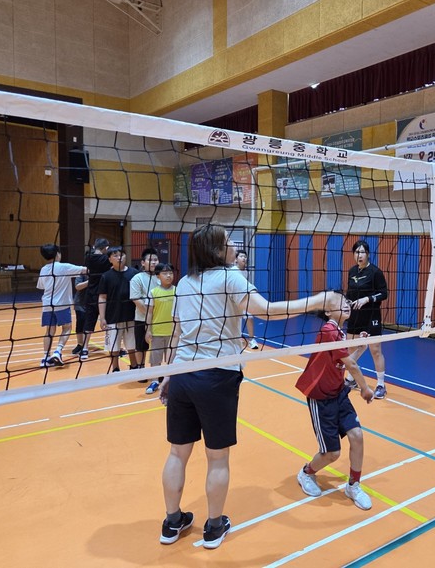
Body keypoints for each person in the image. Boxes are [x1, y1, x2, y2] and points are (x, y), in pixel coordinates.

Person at [158, 223, 341, 550]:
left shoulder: (184, 282)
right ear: (217, 250)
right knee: (217, 459)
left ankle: (172, 522)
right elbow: (266, 312)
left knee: (177, 453)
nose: (234, 245)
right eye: (229, 241)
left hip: (183, 374)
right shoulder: (230, 276)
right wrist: (319, 299)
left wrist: (169, 374)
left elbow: (178, 332)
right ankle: (214, 527)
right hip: (216, 377)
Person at [295, 293, 374, 510]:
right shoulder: (329, 331)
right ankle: (306, 473)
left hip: (338, 394)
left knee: (357, 436)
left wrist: (359, 349)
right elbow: (351, 366)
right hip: (321, 398)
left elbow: (342, 363)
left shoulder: (339, 333)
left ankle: (353, 486)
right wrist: (365, 388)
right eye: (339, 302)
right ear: (328, 311)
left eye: (346, 301)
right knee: (332, 454)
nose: (346, 304)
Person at [344, 239, 390, 399]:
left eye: (362, 252)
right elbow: (349, 292)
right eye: (357, 252)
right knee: (351, 349)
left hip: (371, 315)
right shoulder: (352, 271)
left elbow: (384, 293)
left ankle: (381, 385)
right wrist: (346, 303)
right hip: (355, 315)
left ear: (368, 254)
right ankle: (351, 379)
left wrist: (367, 299)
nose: (359, 255)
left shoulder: (375, 272)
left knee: (375, 350)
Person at [36, 244, 87, 367]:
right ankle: (58, 351)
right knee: (67, 328)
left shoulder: (43, 269)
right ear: (57, 254)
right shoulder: (64, 267)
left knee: (49, 331)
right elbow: (85, 270)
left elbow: (41, 286)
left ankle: (45, 358)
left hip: (47, 304)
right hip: (62, 304)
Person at [98, 247, 139, 372]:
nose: (119, 257)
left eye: (121, 254)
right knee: (113, 346)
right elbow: (102, 297)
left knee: (132, 344)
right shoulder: (106, 276)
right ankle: (115, 368)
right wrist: (102, 318)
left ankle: (134, 365)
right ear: (110, 259)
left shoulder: (134, 273)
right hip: (112, 316)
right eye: (115, 255)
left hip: (131, 315)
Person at [144, 263, 176, 395]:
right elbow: (149, 313)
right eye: (165, 273)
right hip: (157, 331)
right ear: (158, 276)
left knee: (172, 359)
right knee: (155, 359)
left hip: (174, 333)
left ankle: (171, 382)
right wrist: (148, 330)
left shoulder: (177, 291)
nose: (168, 276)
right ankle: (155, 381)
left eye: (170, 273)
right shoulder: (153, 292)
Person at [81, 238, 112, 362]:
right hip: (104, 294)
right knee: (110, 322)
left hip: (91, 293)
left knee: (89, 322)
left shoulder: (88, 257)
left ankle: (84, 348)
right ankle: (112, 347)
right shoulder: (107, 259)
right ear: (106, 248)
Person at [130, 247, 159, 374]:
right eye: (150, 260)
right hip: (141, 318)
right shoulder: (137, 278)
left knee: (158, 347)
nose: (153, 262)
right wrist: (149, 315)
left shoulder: (161, 277)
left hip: (160, 320)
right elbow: (136, 299)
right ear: (143, 262)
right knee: (141, 346)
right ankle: (141, 371)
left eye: (156, 260)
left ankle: (157, 371)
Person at [234, 249, 258, 349]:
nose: (244, 258)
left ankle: (251, 340)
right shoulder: (233, 271)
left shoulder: (246, 272)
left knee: (249, 317)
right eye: (241, 256)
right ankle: (235, 339)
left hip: (243, 299)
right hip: (233, 300)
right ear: (236, 259)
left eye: (245, 256)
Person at [71, 271, 89, 355]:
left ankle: (85, 345)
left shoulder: (99, 271)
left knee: (88, 324)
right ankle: (80, 344)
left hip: (93, 301)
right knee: (80, 322)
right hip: (80, 303)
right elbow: (78, 286)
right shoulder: (82, 272)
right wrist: (90, 281)